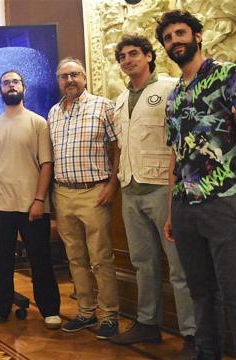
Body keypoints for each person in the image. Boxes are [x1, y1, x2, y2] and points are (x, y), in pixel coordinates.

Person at [157, 10, 236, 359]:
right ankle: (208, 353)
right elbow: (176, 153)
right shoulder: (174, 96)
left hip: (224, 199)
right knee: (200, 290)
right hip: (185, 205)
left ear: (198, 36)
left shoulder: (227, 75)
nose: (175, 41)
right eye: (169, 38)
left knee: (233, 289)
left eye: (180, 33)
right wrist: (172, 210)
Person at [109, 35, 196, 355]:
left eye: (134, 54)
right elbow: (120, 145)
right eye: (122, 56)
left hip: (163, 188)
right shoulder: (119, 100)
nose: (128, 60)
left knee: (179, 266)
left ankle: (192, 333)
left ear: (148, 56)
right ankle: (148, 324)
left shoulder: (171, 88)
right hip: (130, 189)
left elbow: (182, 140)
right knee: (142, 262)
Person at [0, 70, 61, 329]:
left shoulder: (38, 123)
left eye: (15, 82)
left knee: (40, 259)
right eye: (5, 82)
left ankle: (50, 310)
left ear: (24, 87)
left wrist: (39, 200)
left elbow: (46, 164)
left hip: (32, 206)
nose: (11, 86)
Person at [47, 58, 120, 340]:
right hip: (63, 192)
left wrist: (112, 185)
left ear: (85, 77)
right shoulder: (53, 112)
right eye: (64, 76)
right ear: (58, 81)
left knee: (101, 258)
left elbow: (118, 149)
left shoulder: (103, 106)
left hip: (95, 192)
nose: (70, 80)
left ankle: (109, 315)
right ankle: (86, 311)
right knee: (75, 258)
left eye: (75, 74)